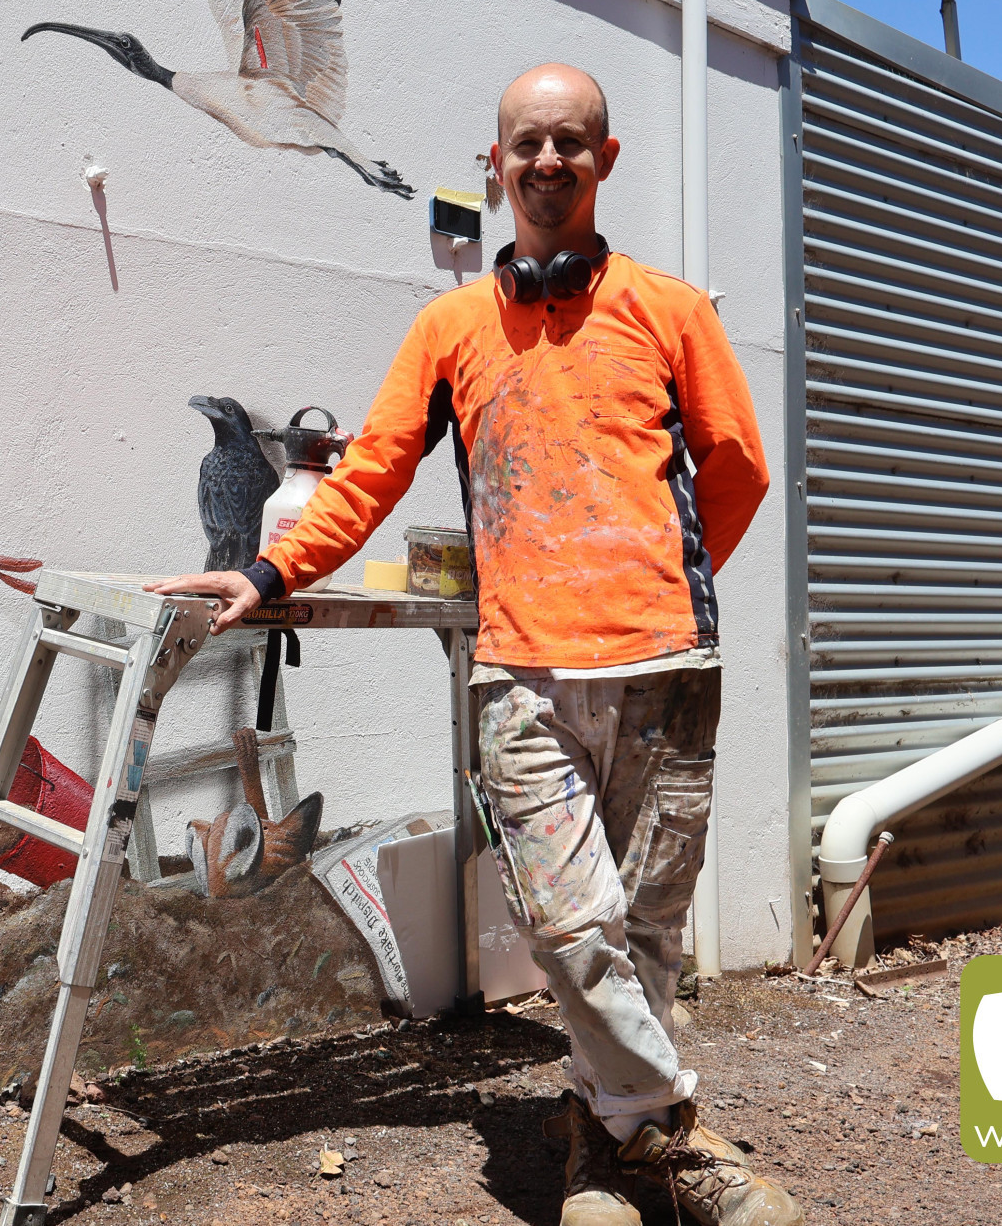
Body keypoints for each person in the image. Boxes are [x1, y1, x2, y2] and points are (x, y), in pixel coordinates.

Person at [149, 64, 798, 1226]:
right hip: (520, 675)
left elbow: (737, 468)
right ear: (494, 163)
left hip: (664, 670)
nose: (546, 161)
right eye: (525, 144)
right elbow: (371, 474)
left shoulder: (671, 311)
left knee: (643, 933)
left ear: (605, 159)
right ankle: (675, 1132)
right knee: (567, 924)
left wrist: (661, 578)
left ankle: (600, 1153)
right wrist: (266, 570)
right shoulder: (451, 327)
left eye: (569, 141)